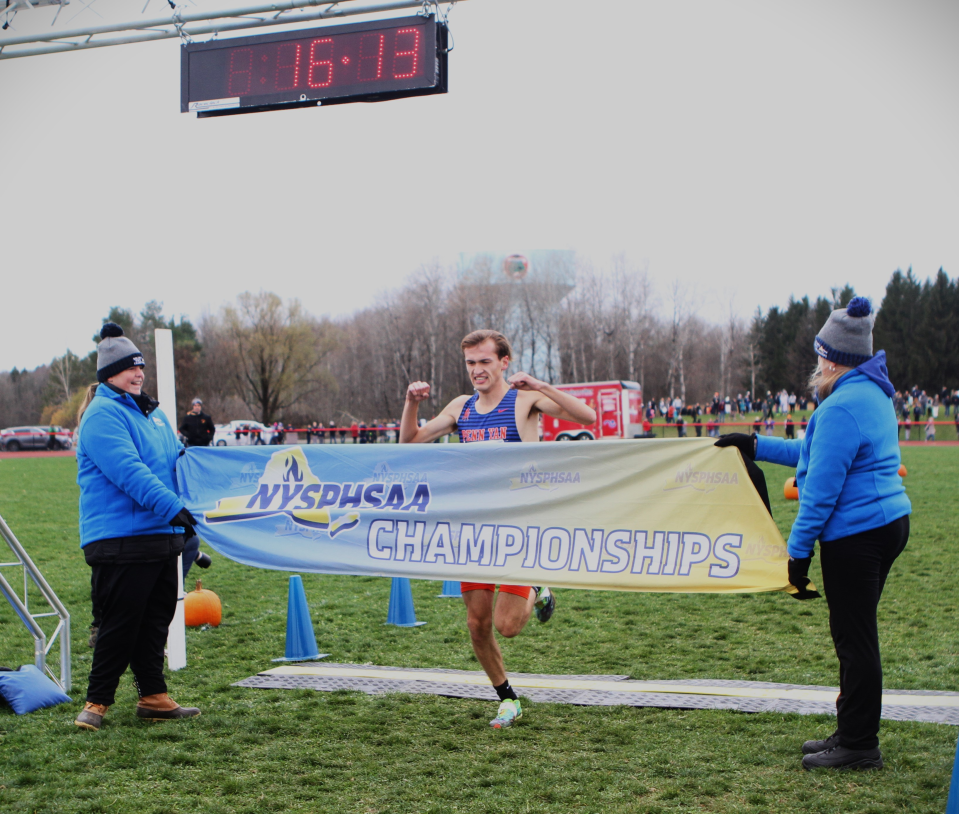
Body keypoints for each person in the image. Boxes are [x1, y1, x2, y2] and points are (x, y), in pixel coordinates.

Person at [717, 297, 910, 771]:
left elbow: (820, 494)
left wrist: (796, 557)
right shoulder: (868, 392)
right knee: (856, 635)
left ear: (834, 358)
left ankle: (860, 744)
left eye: (821, 353)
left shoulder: (844, 405)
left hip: (857, 535)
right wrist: (756, 445)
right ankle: (851, 730)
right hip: (883, 524)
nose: (817, 362)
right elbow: (814, 451)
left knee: (855, 639)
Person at [400, 329, 596, 729]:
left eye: (485, 361)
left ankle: (539, 589)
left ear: (504, 361)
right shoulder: (461, 406)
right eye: (471, 363)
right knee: (476, 624)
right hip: (474, 531)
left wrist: (542, 385)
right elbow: (411, 441)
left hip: (519, 528)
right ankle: (507, 698)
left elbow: (587, 417)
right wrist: (410, 404)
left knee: (507, 627)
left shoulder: (524, 399)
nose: (477, 370)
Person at [73, 323, 200, 731]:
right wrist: (173, 507)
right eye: (130, 368)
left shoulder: (155, 414)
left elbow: (178, 461)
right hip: (120, 539)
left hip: (162, 536)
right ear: (108, 374)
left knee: (156, 619)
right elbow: (130, 472)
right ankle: (97, 701)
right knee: (120, 622)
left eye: (141, 367)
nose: (139, 373)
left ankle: (153, 695)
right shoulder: (101, 415)